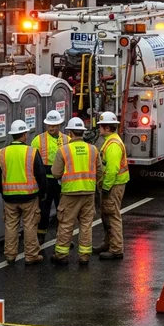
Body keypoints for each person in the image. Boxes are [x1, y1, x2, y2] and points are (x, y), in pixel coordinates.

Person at [0, 120, 48, 265]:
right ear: (24, 135)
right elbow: (41, 174)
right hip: (29, 197)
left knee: (11, 226)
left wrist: (3, 191)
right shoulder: (31, 152)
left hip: (9, 197)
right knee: (30, 225)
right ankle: (31, 256)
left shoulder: (2, 153)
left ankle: (10, 255)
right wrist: (42, 192)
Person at [50, 118, 103, 266]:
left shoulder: (64, 150)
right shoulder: (93, 149)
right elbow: (100, 172)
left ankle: (61, 255)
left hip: (70, 193)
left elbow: (55, 173)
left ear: (70, 132)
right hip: (88, 192)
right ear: (83, 132)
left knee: (66, 224)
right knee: (86, 225)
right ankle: (84, 256)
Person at [31, 110, 71, 244]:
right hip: (46, 181)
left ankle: (63, 237)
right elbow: (33, 160)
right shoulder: (38, 139)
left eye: (54, 125)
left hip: (61, 180)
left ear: (59, 125)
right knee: (43, 209)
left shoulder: (67, 139)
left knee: (63, 210)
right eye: (50, 125)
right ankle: (41, 235)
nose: (52, 128)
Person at [95, 112, 130, 260]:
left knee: (112, 215)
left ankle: (116, 249)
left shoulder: (113, 144)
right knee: (106, 215)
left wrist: (106, 187)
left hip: (114, 185)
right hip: (114, 184)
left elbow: (112, 170)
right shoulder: (111, 140)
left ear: (107, 127)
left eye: (101, 126)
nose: (99, 129)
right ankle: (108, 243)